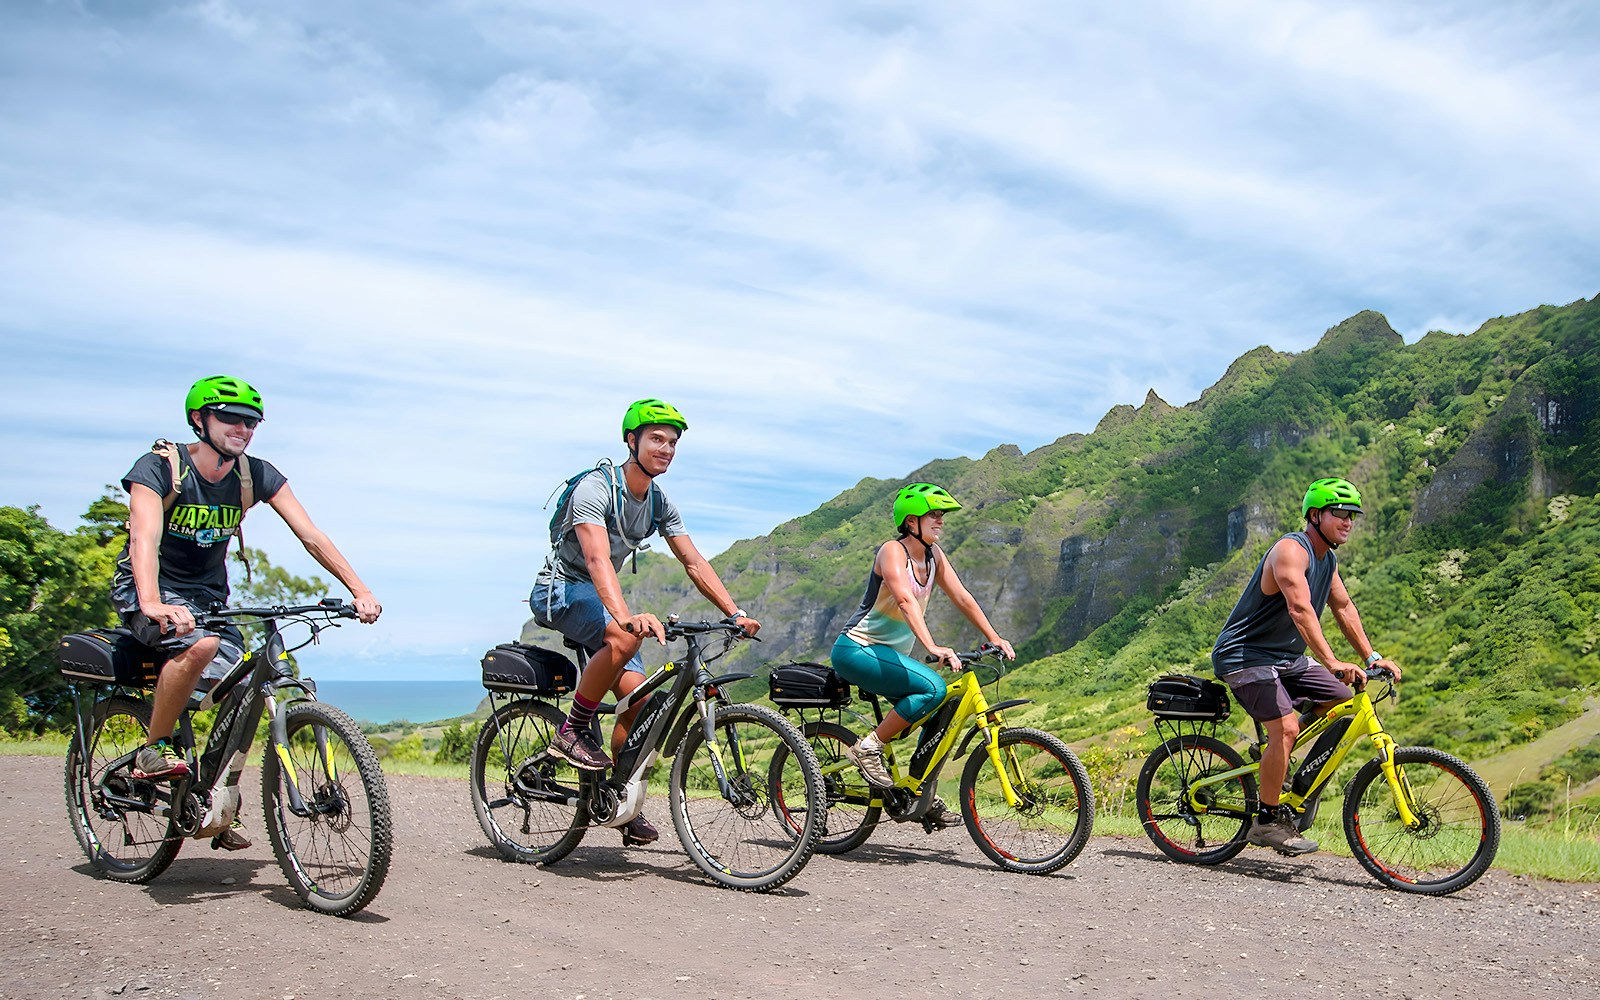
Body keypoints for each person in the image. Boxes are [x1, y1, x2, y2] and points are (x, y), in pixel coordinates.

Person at [112, 375, 382, 850]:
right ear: (199, 420)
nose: (243, 428)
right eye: (231, 418)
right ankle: (153, 751)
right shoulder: (160, 468)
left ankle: (213, 795)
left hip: (209, 599)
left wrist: (358, 588)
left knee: (244, 682)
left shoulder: (254, 475)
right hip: (147, 589)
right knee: (201, 647)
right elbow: (144, 539)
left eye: (251, 421)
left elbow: (311, 535)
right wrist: (153, 602)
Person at [531, 398, 760, 846]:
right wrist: (624, 617)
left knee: (640, 703)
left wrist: (733, 613)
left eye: (673, 442)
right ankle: (571, 730)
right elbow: (597, 559)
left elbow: (692, 560)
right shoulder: (598, 488)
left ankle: (618, 800)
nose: (667, 448)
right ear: (631, 441)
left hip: (596, 597)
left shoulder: (657, 501)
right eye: (657, 439)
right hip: (560, 589)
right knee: (622, 637)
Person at [1211, 477, 1401, 855]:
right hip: (1246, 656)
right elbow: (1300, 609)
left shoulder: (1326, 560)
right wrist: (1331, 661)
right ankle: (1266, 822)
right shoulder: (1290, 551)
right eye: (1340, 514)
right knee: (1283, 728)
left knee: (1341, 703)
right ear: (1315, 516)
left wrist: (1372, 657)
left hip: (1287, 660)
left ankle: (1297, 784)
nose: (1348, 522)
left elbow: (1343, 607)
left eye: (1352, 516)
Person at [831, 483, 1015, 828]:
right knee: (933, 688)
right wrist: (932, 647)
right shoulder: (891, 551)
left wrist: (994, 637)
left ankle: (919, 792)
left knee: (941, 708)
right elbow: (904, 599)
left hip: (886, 655)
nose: (940, 521)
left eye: (942, 515)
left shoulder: (934, 557)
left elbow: (963, 597)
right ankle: (868, 747)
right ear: (911, 520)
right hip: (857, 649)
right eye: (934, 514)